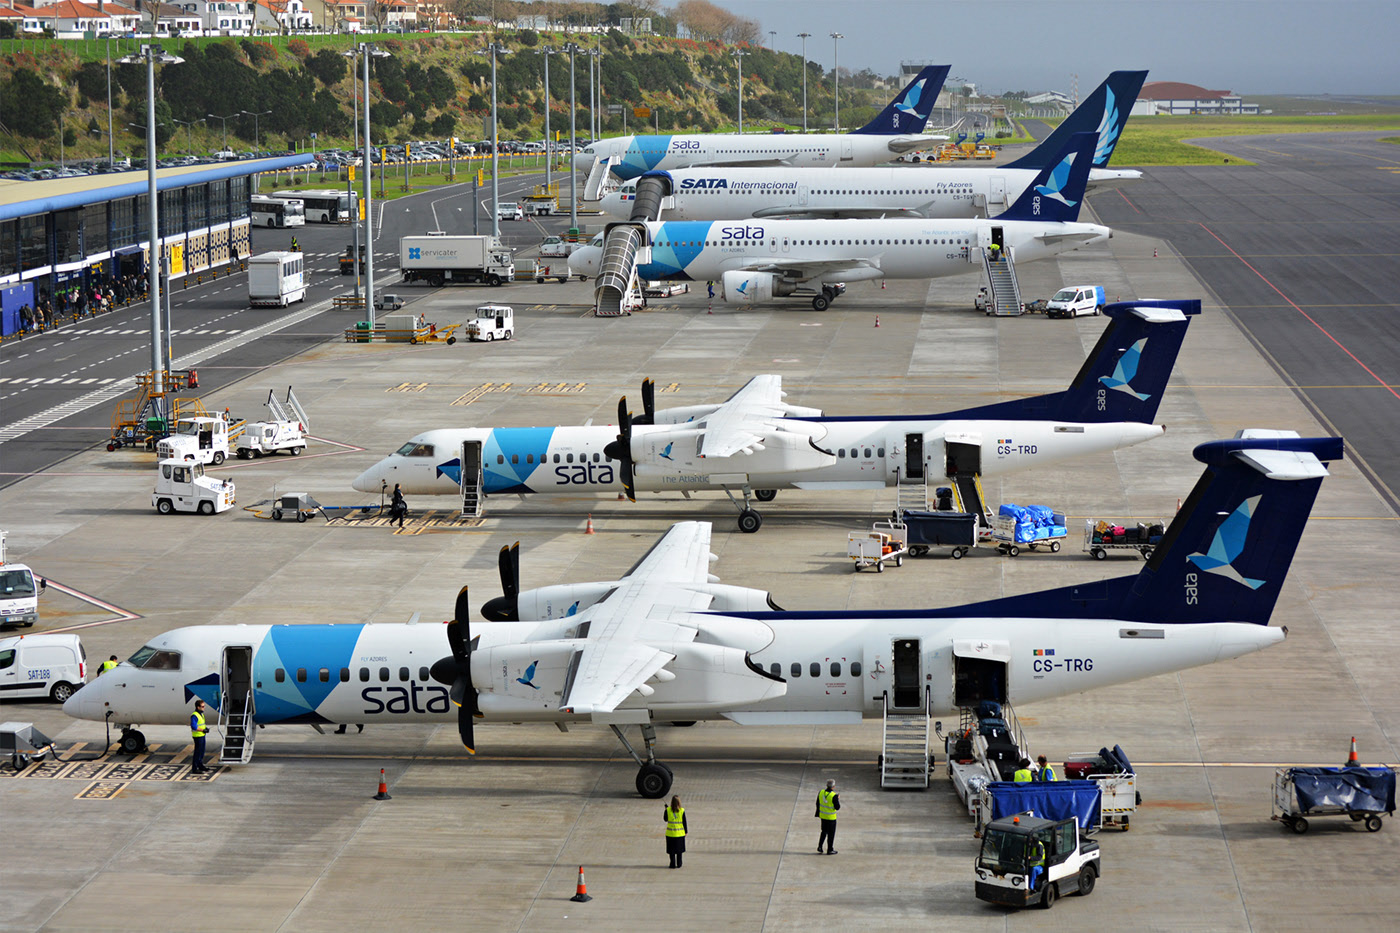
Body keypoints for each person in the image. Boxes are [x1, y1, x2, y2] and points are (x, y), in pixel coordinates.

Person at [816, 778, 840, 854]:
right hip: (831, 818)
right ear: (833, 786)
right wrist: (837, 799)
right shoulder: (834, 796)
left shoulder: (821, 792)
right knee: (831, 834)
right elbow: (837, 807)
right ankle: (830, 849)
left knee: (823, 831)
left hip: (823, 817)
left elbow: (817, 803)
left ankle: (820, 846)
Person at [663, 794, 687, 868]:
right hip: (680, 833)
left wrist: (666, 810)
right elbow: (684, 822)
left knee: (671, 850)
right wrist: (686, 831)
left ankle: (672, 864)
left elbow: (665, 819)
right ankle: (679, 863)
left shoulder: (668, 810)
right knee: (679, 851)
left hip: (670, 834)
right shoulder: (682, 811)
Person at [190, 699, 210, 773]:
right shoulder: (194, 715)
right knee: (197, 753)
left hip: (202, 735)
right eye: (202, 706)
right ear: (198, 707)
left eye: (204, 706)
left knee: (201, 752)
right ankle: (194, 769)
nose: (203, 708)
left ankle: (200, 765)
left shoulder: (201, 714)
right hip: (197, 736)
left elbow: (201, 724)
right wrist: (203, 730)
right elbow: (194, 726)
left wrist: (205, 729)